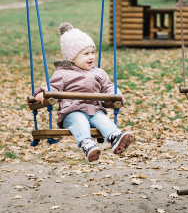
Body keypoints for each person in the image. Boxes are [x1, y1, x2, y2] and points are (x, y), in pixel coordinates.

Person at [34, 22, 133, 162]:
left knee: (103, 120)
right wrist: (43, 92)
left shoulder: (99, 73)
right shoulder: (63, 74)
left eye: (92, 52)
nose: (91, 57)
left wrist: (116, 94)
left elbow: (108, 87)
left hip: (94, 110)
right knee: (80, 121)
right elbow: (53, 88)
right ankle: (87, 145)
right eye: (86, 54)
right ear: (72, 58)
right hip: (72, 112)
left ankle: (115, 137)